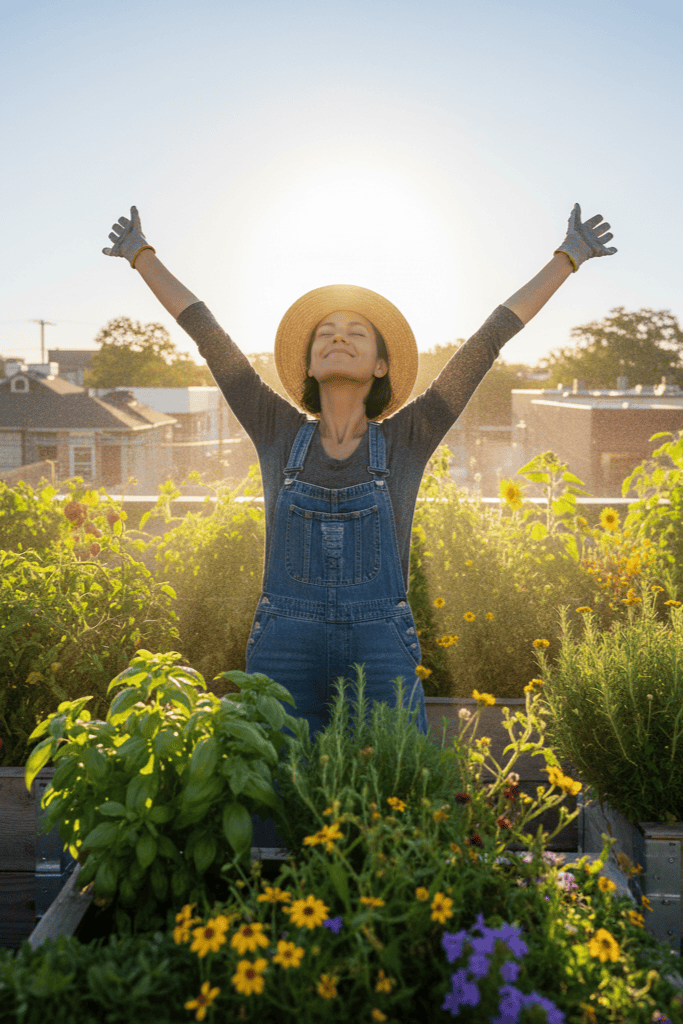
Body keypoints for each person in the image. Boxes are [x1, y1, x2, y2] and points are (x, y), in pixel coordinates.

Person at [103, 202, 616, 846]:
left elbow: (488, 341)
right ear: (309, 367)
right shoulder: (275, 430)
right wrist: (143, 256)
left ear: (379, 366)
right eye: (325, 333)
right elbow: (209, 335)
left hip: (382, 647)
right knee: (274, 807)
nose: (337, 336)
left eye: (356, 331)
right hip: (283, 645)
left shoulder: (409, 437)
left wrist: (566, 258)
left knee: (392, 807)